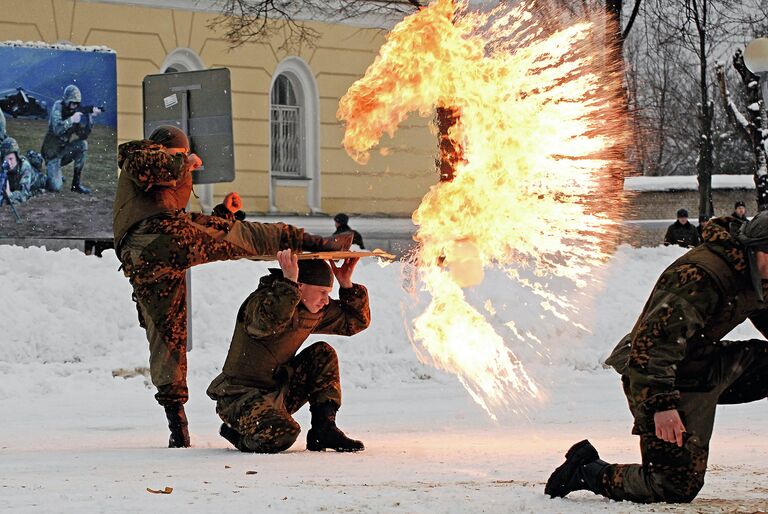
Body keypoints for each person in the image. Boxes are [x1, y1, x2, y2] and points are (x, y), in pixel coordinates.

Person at [114, 125, 353, 448]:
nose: (182, 165)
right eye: (178, 155)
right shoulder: (139, 154)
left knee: (167, 337)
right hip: (156, 240)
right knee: (245, 236)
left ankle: (177, 427)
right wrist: (186, 162)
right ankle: (312, 241)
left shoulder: (160, 188)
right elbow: (150, 167)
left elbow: (199, 229)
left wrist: (222, 215)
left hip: (150, 263)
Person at [545, 212, 768, 504]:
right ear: (760, 249)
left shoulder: (756, 271)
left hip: (702, 363)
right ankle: (586, 470)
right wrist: (661, 406)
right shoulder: (700, 276)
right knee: (672, 488)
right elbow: (652, 346)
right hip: (656, 376)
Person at [208, 252, 369, 453]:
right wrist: (289, 283)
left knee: (322, 353)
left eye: (328, 293)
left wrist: (346, 285)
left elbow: (353, 323)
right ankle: (237, 435)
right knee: (283, 435)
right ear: (300, 286)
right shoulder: (261, 303)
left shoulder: (311, 308)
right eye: (322, 292)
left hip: (276, 388)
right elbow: (267, 324)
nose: (326, 301)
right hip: (240, 397)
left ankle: (324, 429)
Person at [41, 84, 100, 193]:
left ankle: (75, 185)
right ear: (67, 100)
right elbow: (57, 129)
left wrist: (90, 118)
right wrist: (71, 120)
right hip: (52, 154)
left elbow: (83, 135)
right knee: (55, 188)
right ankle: (47, 177)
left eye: (76, 104)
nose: (74, 106)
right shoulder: (58, 107)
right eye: (72, 103)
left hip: (63, 152)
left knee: (83, 144)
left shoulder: (74, 113)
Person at [1, 137, 46, 204]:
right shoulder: (3, 166)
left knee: (51, 184)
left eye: (11, 159)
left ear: (16, 157)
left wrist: (10, 195)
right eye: (6, 160)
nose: (8, 163)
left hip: (36, 180)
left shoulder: (24, 167)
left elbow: (24, 194)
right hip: (16, 185)